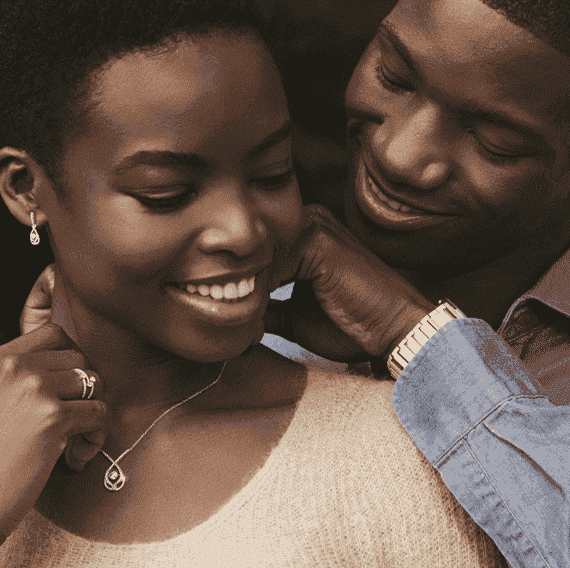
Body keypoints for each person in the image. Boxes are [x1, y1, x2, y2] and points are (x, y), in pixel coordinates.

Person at [13, 0, 570, 565]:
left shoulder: (388, 469)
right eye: (393, 76)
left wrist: (413, 335)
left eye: (494, 142)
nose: (398, 156)